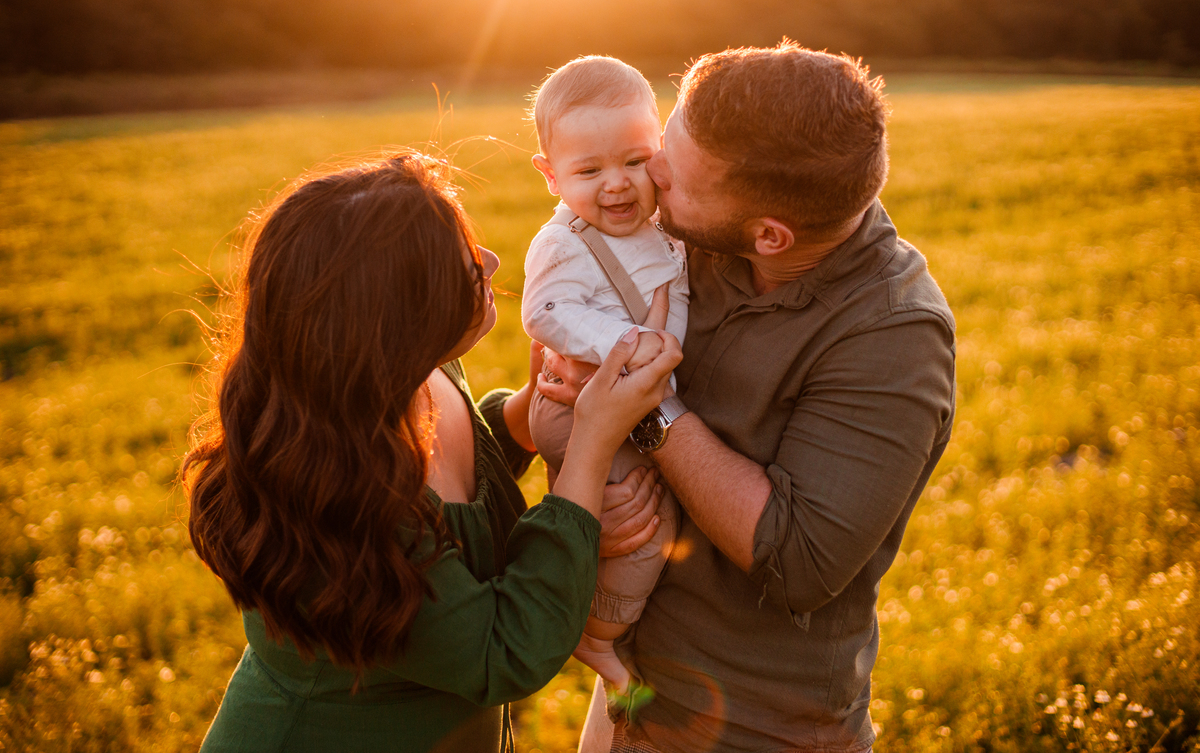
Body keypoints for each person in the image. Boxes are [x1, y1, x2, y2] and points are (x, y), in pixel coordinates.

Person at [181, 152, 681, 752]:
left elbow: (460, 464)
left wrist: (531, 408)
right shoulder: (345, 502)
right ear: (396, 324)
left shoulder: (423, 377)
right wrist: (590, 451)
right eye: (464, 266)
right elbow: (503, 651)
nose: (491, 262)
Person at [540, 43, 957, 753]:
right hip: (629, 698)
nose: (651, 175)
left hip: (756, 729)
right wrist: (589, 496)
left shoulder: (893, 334)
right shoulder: (686, 231)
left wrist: (649, 411)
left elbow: (796, 561)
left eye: (671, 171)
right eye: (662, 142)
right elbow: (560, 362)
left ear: (769, 235)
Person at [522, 56, 688, 693]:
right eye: (589, 171)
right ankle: (597, 633)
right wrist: (628, 343)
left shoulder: (657, 232)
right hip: (579, 407)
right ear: (551, 175)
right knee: (645, 528)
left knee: (656, 514)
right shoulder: (563, 242)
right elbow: (546, 312)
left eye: (635, 161)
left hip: (629, 400)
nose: (616, 185)